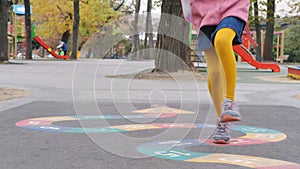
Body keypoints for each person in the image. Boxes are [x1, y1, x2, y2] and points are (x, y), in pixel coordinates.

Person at [184, 0, 250, 144]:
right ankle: (222, 120)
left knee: (222, 40)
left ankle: (229, 102)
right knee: (214, 71)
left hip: (233, 5)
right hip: (203, 10)